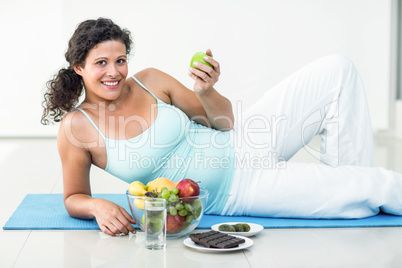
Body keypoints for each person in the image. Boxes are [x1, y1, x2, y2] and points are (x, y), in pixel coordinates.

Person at [42, 17, 402, 237]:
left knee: (337, 70)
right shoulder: (78, 128)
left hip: (243, 138)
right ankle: (352, 185)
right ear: (78, 67)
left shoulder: (150, 80)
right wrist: (97, 207)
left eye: (120, 60)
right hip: (241, 189)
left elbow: (224, 120)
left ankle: (346, 182)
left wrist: (206, 90)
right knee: (375, 186)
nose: (114, 72)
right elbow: (73, 197)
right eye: (101, 63)